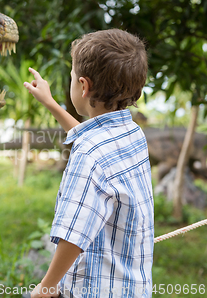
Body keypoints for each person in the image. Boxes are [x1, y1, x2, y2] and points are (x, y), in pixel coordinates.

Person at [23, 29, 154, 298]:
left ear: (83, 86)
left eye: (71, 78)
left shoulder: (89, 156)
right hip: (132, 285)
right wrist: (51, 104)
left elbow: (74, 233)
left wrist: (47, 286)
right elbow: (91, 138)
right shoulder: (131, 132)